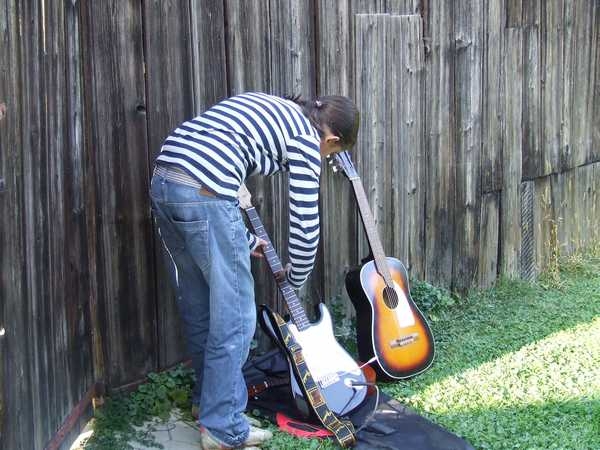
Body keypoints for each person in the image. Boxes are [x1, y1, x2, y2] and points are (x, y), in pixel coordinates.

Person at [149, 92, 359, 449]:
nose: (325, 158)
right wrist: (294, 279)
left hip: (165, 182)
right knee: (236, 318)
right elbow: (305, 227)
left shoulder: (275, 107)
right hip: (205, 192)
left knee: (200, 308)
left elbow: (215, 163)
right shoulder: (308, 140)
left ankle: (208, 405)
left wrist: (245, 240)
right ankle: (223, 427)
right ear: (332, 139)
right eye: (331, 154)